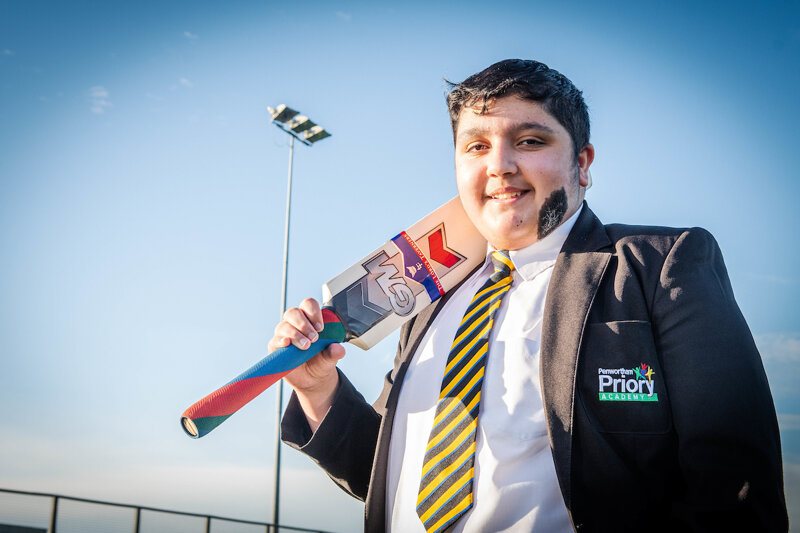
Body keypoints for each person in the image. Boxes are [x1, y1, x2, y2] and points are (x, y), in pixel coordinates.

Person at [269, 59, 788, 532]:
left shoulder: (661, 264)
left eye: (531, 141)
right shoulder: (428, 298)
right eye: (476, 146)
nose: (500, 165)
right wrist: (319, 392)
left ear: (582, 164)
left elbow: (736, 490)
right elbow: (379, 473)